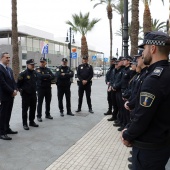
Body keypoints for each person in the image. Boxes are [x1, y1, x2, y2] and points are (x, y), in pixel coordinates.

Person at [121, 31, 170, 170]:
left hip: (149, 148)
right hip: (162, 144)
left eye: (145, 48)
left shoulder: (154, 79)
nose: (143, 53)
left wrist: (128, 134)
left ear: (153, 48)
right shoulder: (165, 73)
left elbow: (143, 115)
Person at [0, 52, 18, 140]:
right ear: (2, 58)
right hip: (4, 95)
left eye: (9, 57)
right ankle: (1, 132)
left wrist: (15, 89)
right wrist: (12, 91)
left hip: (11, 95)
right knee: (2, 114)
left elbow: (13, 81)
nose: (8, 59)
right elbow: (2, 83)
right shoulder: (0, 68)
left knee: (8, 113)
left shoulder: (9, 69)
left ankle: (7, 128)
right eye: (7, 57)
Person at [17, 59, 39, 130]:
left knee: (33, 108)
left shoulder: (35, 73)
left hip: (33, 94)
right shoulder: (23, 74)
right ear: (27, 65)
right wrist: (21, 91)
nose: (33, 66)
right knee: (25, 109)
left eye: (33, 64)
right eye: (31, 64)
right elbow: (18, 84)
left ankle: (31, 121)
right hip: (26, 95)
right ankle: (25, 123)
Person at [36, 57, 54, 122]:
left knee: (48, 102)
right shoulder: (37, 70)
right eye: (41, 62)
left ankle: (47, 114)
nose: (42, 63)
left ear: (45, 62)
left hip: (48, 88)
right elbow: (39, 76)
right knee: (40, 103)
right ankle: (39, 116)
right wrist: (48, 76)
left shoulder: (48, 69)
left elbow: (53, 76)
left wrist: (46, 77)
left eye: (43, 62)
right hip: (40, 88)